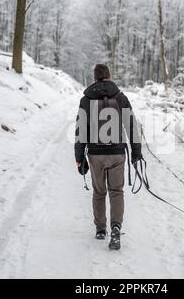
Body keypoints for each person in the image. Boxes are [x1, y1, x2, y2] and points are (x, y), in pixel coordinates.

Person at [74, 64, 142, 250]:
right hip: (117, 153)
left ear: (94, 78)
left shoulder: (86, 100)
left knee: (99, 192)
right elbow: (131, 126)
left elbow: (81, 131)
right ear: (109, 76)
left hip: (95, 154)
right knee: (116, 191)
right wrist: (136, 153)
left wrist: (79, 157)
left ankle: (100, 229)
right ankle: (116, 228)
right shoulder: (120, 98)